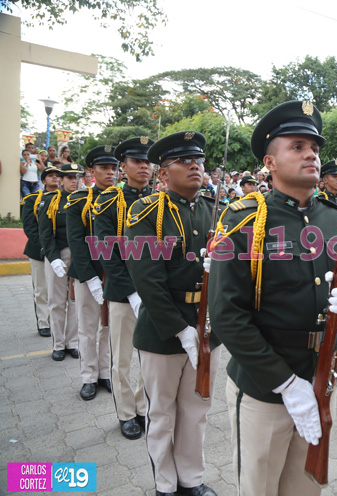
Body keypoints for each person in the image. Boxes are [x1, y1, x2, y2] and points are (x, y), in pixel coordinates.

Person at [208, 100, 337, 496]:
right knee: (259, 487)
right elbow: (226, 315)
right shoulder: (243, 219)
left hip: (321, 375)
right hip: (265, 386)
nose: (311, 154)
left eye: (314, 147)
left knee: (304, 488)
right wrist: (285, 383)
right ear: (270, 162)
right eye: (297, 146)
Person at [125, 131, 221, 496]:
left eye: (198, 160)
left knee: (196, 409)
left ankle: (191, 479)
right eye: (184, 161)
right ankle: (165, 484)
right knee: (162, 413)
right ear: (163, 174)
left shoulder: (215, 209)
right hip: (163, 331)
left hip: (206, 324)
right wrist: (180, 329)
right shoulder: (145, 212)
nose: (195, 166)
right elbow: (147, 279)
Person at [94, 136, 153, 439]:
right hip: (122, 292)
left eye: (147, 161)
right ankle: (126, 413)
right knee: (123, 358)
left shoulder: (160, 201)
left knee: (150, 357)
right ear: (123, 167)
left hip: (153, 293)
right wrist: (132, 291)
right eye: (137, 161)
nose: (144, 166)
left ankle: (143, 408)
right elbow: (107, 252)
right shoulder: (109, 201)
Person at [65, 146, 116, 400]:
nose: (110, 172)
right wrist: (89, 277)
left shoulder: (122, 200)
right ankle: (88, 377)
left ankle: (105, 372)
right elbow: (76, 241)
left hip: (114, 274)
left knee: (109, 327)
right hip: (88, 273)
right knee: (87, 328)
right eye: (104, 168)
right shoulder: (80, 200)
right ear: (92, 171)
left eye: (113, 168)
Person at [37, 163, 81, 361]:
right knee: (56, 302)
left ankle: (72, 342)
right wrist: (53, 258)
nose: (74, 181)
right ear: (61, 180)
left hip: (79, 256)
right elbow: (45, 234)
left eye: (77, 177)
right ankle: (58, 344)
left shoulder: (85, 200)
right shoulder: (51, 201)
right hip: (58, 253)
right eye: (70, 177)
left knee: (75, 301)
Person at [21, 165, 60, 337]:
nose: (55, 178)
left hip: (60, 251)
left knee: (59, 291)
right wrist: (45, 248)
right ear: (43, 180)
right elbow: (30, 228)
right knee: (42, 289)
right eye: (50, 176)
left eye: (57, 175)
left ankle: (57, 322)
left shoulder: (66, 199)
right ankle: (44, 323)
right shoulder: (32, 200)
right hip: (39, 251)